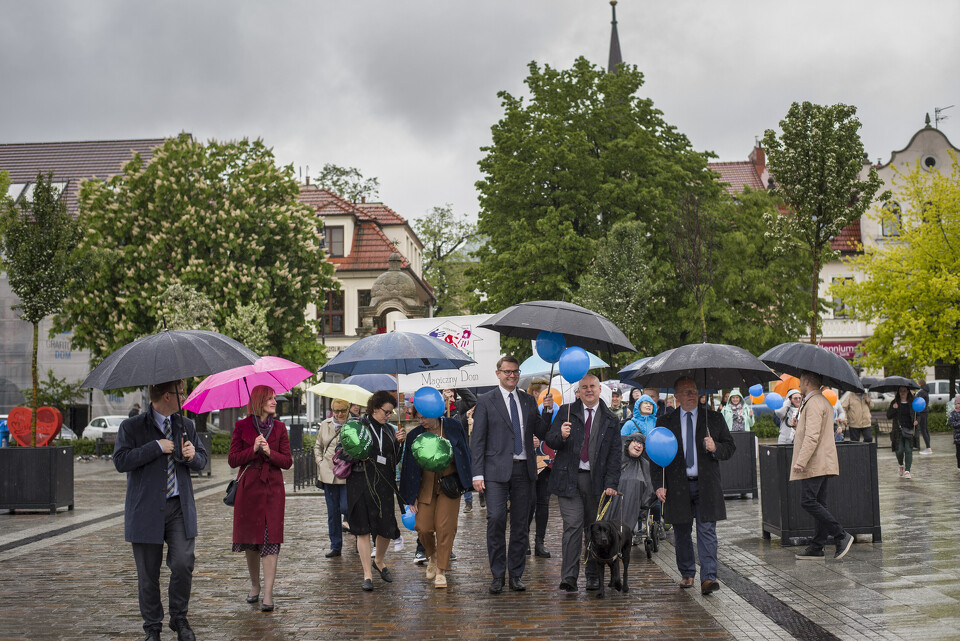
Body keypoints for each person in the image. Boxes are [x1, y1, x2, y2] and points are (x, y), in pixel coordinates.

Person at [113, 380, 208, 641]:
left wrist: (192, 456)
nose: (185, 396)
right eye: (181, 393)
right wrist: (156, 447)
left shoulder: (185, 425)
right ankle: (152, 627)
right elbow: (121, 461)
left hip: (179, 507)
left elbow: (202, 460)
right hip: (145, 510)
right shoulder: (131, 427)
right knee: (148, 574)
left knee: (183, 563)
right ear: (167, 396)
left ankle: (179, 617)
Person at [471, 354, 548, 594]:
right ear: (498, 374)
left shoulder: (527, 400)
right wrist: (477, 474)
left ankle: (516, 574)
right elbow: (478, 439)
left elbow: (541, 431)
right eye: (507, 371)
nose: (512, 375)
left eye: (515, 372)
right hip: (494, 471)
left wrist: (547, 411)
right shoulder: (485, 400)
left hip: (524, 470)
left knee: (520, 525)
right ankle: (497, 575)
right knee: (495, 519)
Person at [651, 376, 735, 596]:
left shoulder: (713, 419)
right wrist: (659, 485)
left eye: (694, 391)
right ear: (676, 396)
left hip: (706, 485)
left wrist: (715, 446)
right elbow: (656, 456)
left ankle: (709, 577)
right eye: (686, 392)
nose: (691, 395)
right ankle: (687, 572)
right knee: (681, 531)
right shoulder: (665, 422)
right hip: (677, 485)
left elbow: (730, 448)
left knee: (707, 530)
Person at [546, 375, 621, 593]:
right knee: (572, 526)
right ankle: (569, 577)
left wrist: (612, 482)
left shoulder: (610, 419)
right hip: (568, 478)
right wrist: (560, 435)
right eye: (584, 387)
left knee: (594, 530)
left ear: (600, 390)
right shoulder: (566, 412)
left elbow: (615, 455)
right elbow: (550, 439)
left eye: (592, 387)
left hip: (596, 482)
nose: (588, 390)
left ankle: (593, 577)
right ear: (578, 390)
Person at [228, 385, 292, 612]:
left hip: (273, 491)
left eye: (275, 398)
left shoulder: (280, 428)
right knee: (252, 542)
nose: (275, 402)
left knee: (271, 540)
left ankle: (268, 593)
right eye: (271, 399)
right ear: (259, 401)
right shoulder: (242, 426)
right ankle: (255, 585)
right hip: (249, 492)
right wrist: (253, 449)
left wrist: (268, 453)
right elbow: (233, 460)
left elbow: (287, 461)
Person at [399, 406, 472, 588]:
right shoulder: (414, 434)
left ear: (435, 413)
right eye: (418, 418)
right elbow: (408, 466)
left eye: (424, 417)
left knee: (445, 528)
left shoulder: (453, 427)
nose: (421, 421)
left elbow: (465, 453)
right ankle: (432, 556)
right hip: (424, 486)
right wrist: (410, 495)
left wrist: (468, 478)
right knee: (422, 527)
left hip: (449, 484)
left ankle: (441, 571)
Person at [792, 371, 855, 561]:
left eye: (801, 381)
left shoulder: (814, 403)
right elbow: (813, 431)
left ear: (807, 381)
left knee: (808, 501)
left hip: (814, 462)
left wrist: (801, 461)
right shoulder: (820, 401)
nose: (799, 385)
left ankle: (840, 535)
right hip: (822, 460)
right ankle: (817, 546)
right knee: (819, 502)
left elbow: (812, 437)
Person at [348, 390, 405, 591]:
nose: (388, 416)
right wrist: (356, 456)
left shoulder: (389, 430)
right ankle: (367, 575)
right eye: (386, 412)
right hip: (360, 482)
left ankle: (378, 560)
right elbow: (343, 450)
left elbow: (393, 461)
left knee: (387, 527)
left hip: (383, 484)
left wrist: (399, 444)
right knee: (362, 529)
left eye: (391, 413)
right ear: (374, 408)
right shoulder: (357, 426)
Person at [314, 398, 351, 558]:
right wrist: (320, 462)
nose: (339, 414)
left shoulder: (353, 425)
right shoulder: (325, 424)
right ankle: (335, 545)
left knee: (347, 508)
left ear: (348, 410)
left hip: (347, 474)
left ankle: (359, 539)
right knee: (333, 513)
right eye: (336, 411)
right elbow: (318, 446)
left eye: (342, 411)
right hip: (328, 475)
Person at [442, 387, 477, 511]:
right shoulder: (438, 409)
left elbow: (472, 400)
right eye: (448, 396)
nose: (451, 399)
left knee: (464, 471)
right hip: (444, 450)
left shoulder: (458, 406)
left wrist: (458, 385)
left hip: (459, 447)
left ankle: (468, 500)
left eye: (452, 396)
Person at [618, 432, 655, 543]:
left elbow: (650, 491)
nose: (638, 446)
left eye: (641, 444)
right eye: (636, 442)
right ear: (628, 443)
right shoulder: (616, 461)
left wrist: (642, 507)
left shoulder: (646, 466)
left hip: (636, 507)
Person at [887, 386, 918, 478]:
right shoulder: (895, 402)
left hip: (909, 430)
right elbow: (889, 415)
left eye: (904, 391)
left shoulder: (912, 402)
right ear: (898, 392)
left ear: (908, 391)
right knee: (899, 451)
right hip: (898, 431)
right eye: (901, 391)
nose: (903, 393)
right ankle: (901, 464)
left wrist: (917, 421)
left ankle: (907, 471)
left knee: (908, 450)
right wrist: (894, 408)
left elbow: (918, 414)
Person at [916, 379, 932, 454]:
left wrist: (914, 395)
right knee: (925, 429)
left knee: (923, 430)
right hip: (925, 411)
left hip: (922, 412)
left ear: (919, 384)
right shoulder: (925, 390)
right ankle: (929, 447)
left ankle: (928, 448)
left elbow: (917, 400)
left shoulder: (921, 391)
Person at [949, 395, 960, 472]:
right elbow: (953, 424)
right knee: (958, 453)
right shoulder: (953, 414)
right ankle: (959, 466)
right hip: (958, 437)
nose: (958, 405)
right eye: (957, 403)